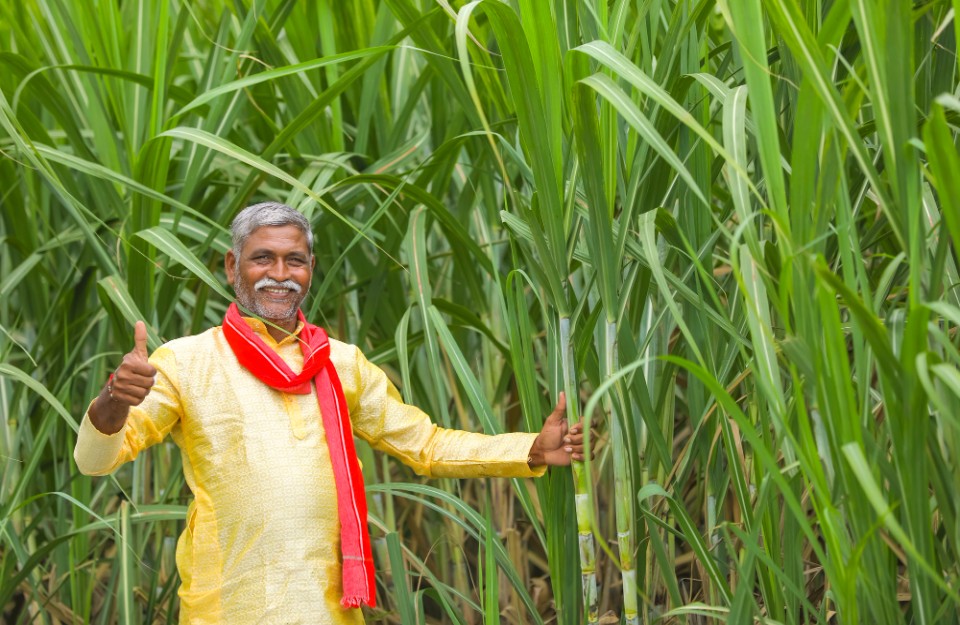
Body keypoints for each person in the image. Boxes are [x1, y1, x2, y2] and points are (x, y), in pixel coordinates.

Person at [74, 202, 588, 625]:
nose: (280, 275)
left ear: (311, 269)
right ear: (232, 267)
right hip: (228, 605)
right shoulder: (187, 361)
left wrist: (530, 449)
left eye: (294, 260)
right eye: (262, 259)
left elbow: (426, 445)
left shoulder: (340, 362)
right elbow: (97, 461)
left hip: (327, 609)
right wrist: (115, 399)